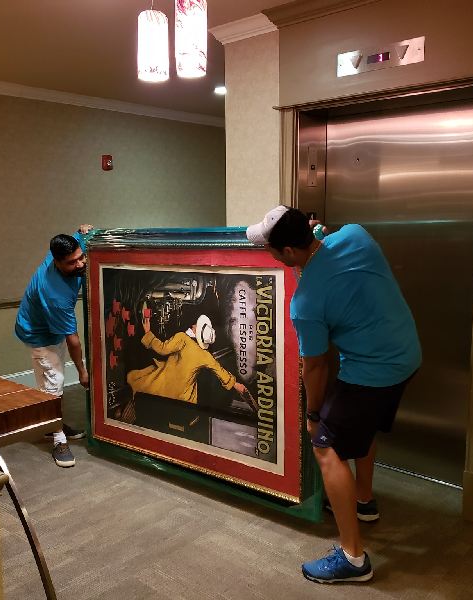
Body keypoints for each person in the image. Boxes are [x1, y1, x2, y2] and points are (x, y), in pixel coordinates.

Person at [246, 206, 421, 584]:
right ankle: (363, 501)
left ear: (288, 252)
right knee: (362, 426)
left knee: (326, 447)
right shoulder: (356, 234)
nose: (268, 254)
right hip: (407, 356)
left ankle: (353, 558)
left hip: (372, 372)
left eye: (270, 249)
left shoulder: (306, 302)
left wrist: (313, 416)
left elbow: (316, 367)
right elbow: (329, 252)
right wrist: (319, 239)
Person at [15, 225, 93, 468]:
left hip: (51, 327)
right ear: (57, 262)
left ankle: (53, 424)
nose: (80, 264)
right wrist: (82, 372)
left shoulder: (62, 252)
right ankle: (57, 438)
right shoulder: (55, 295)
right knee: (54, 383)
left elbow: (78, 237)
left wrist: (82, 231)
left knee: (52, 381)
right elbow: (73, 339)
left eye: (81, 257)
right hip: (38, 334)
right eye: (72, 263)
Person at [124, 314, 249, 420]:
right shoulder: (205, 355)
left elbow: (162, 348)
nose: (193, 324)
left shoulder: (183, 338)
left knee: (137, 380)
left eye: (196, 325)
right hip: (183, 396)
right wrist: (236, 384)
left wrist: (147, 332)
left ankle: (130, 414)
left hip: (165, 383)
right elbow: (220, 371)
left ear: (195, 330)